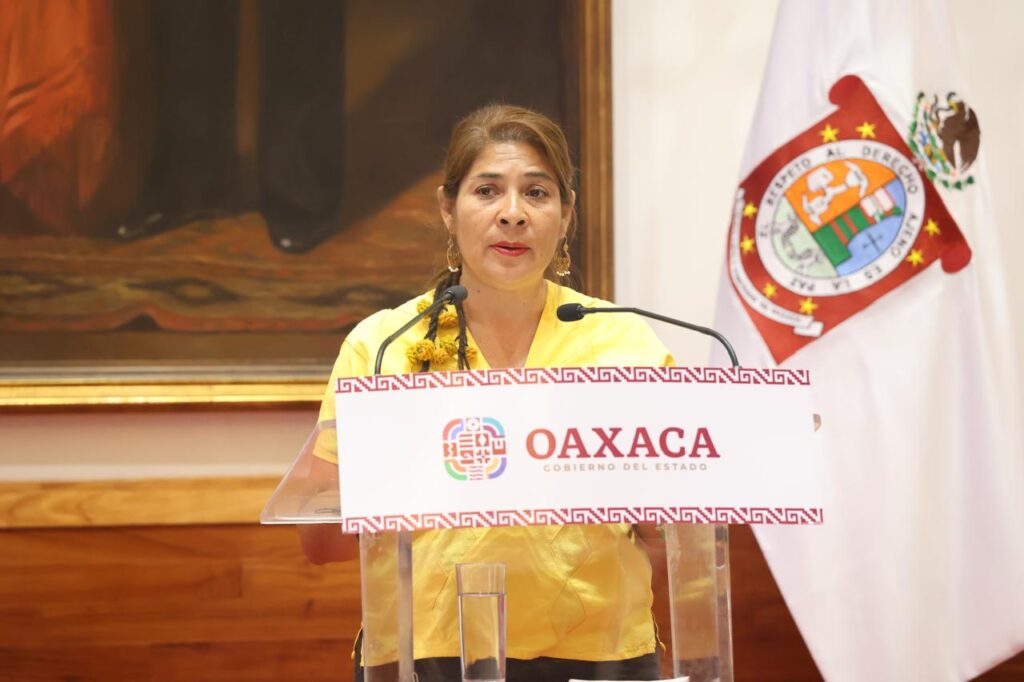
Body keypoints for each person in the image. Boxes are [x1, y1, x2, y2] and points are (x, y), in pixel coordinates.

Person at [299, 104, 672, 681]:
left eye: (537, 193)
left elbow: (673, 542)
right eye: (487, 191)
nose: (513, 214)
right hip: (428, 654)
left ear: (566, 215)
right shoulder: (383, 345)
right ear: (448, 209)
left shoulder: (624, 342)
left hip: (600, 655)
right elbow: (320, 544)